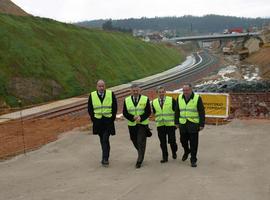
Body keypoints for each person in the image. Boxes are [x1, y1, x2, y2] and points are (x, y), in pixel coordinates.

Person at [88, 80, 117, 166]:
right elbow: (90, 108)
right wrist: (93, 119)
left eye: (102, 86)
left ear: (105, 86)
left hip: (108, 121)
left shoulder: (110, 94)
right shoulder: (92, 95)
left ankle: (105, 158)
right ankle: (105, 156)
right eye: (99, 86)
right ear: (96, 87)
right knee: (103, 140)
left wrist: (112, 118)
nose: (101, 88)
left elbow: (114, 107)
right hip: (98, 122)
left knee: (105, 139)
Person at [175, 83, 205, 167]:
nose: (185, 92)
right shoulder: (179, 98)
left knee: (194, 143)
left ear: (191, 89)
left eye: (187, 90)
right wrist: (176, 122)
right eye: (184, 90)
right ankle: (187, 151)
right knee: (183, 141)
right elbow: (177, 111)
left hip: (193, 123)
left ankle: (193, 159)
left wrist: (201, 124)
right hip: (183, 124)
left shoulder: (197, 98)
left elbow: (201, 112)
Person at [123, 84, 151, 168]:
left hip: (142, 124)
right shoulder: (127, 100)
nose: (135, 92)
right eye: (133, 91)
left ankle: (139, 160)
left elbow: (148, 111)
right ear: (131, 91)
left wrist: (141, 118)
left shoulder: (145, 99)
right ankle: (141, 152)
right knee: (134, 140)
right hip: (132, 124)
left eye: (137, 90)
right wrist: (132, 117)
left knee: (140, 140)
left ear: (140, 90)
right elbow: (125, 112)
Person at [152, 86, 178, 163]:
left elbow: (177, 112)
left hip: (170, 124)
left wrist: (177, 123)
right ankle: (165, 157)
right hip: (160, 125)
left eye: (162, 92)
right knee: (162, 142)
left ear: (165, 92)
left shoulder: (171, 100)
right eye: (160, 92)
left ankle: (174, 151)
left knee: (172, 141)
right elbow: (154, 112)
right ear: (157, 93)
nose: (161, 93)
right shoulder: (154, 102)